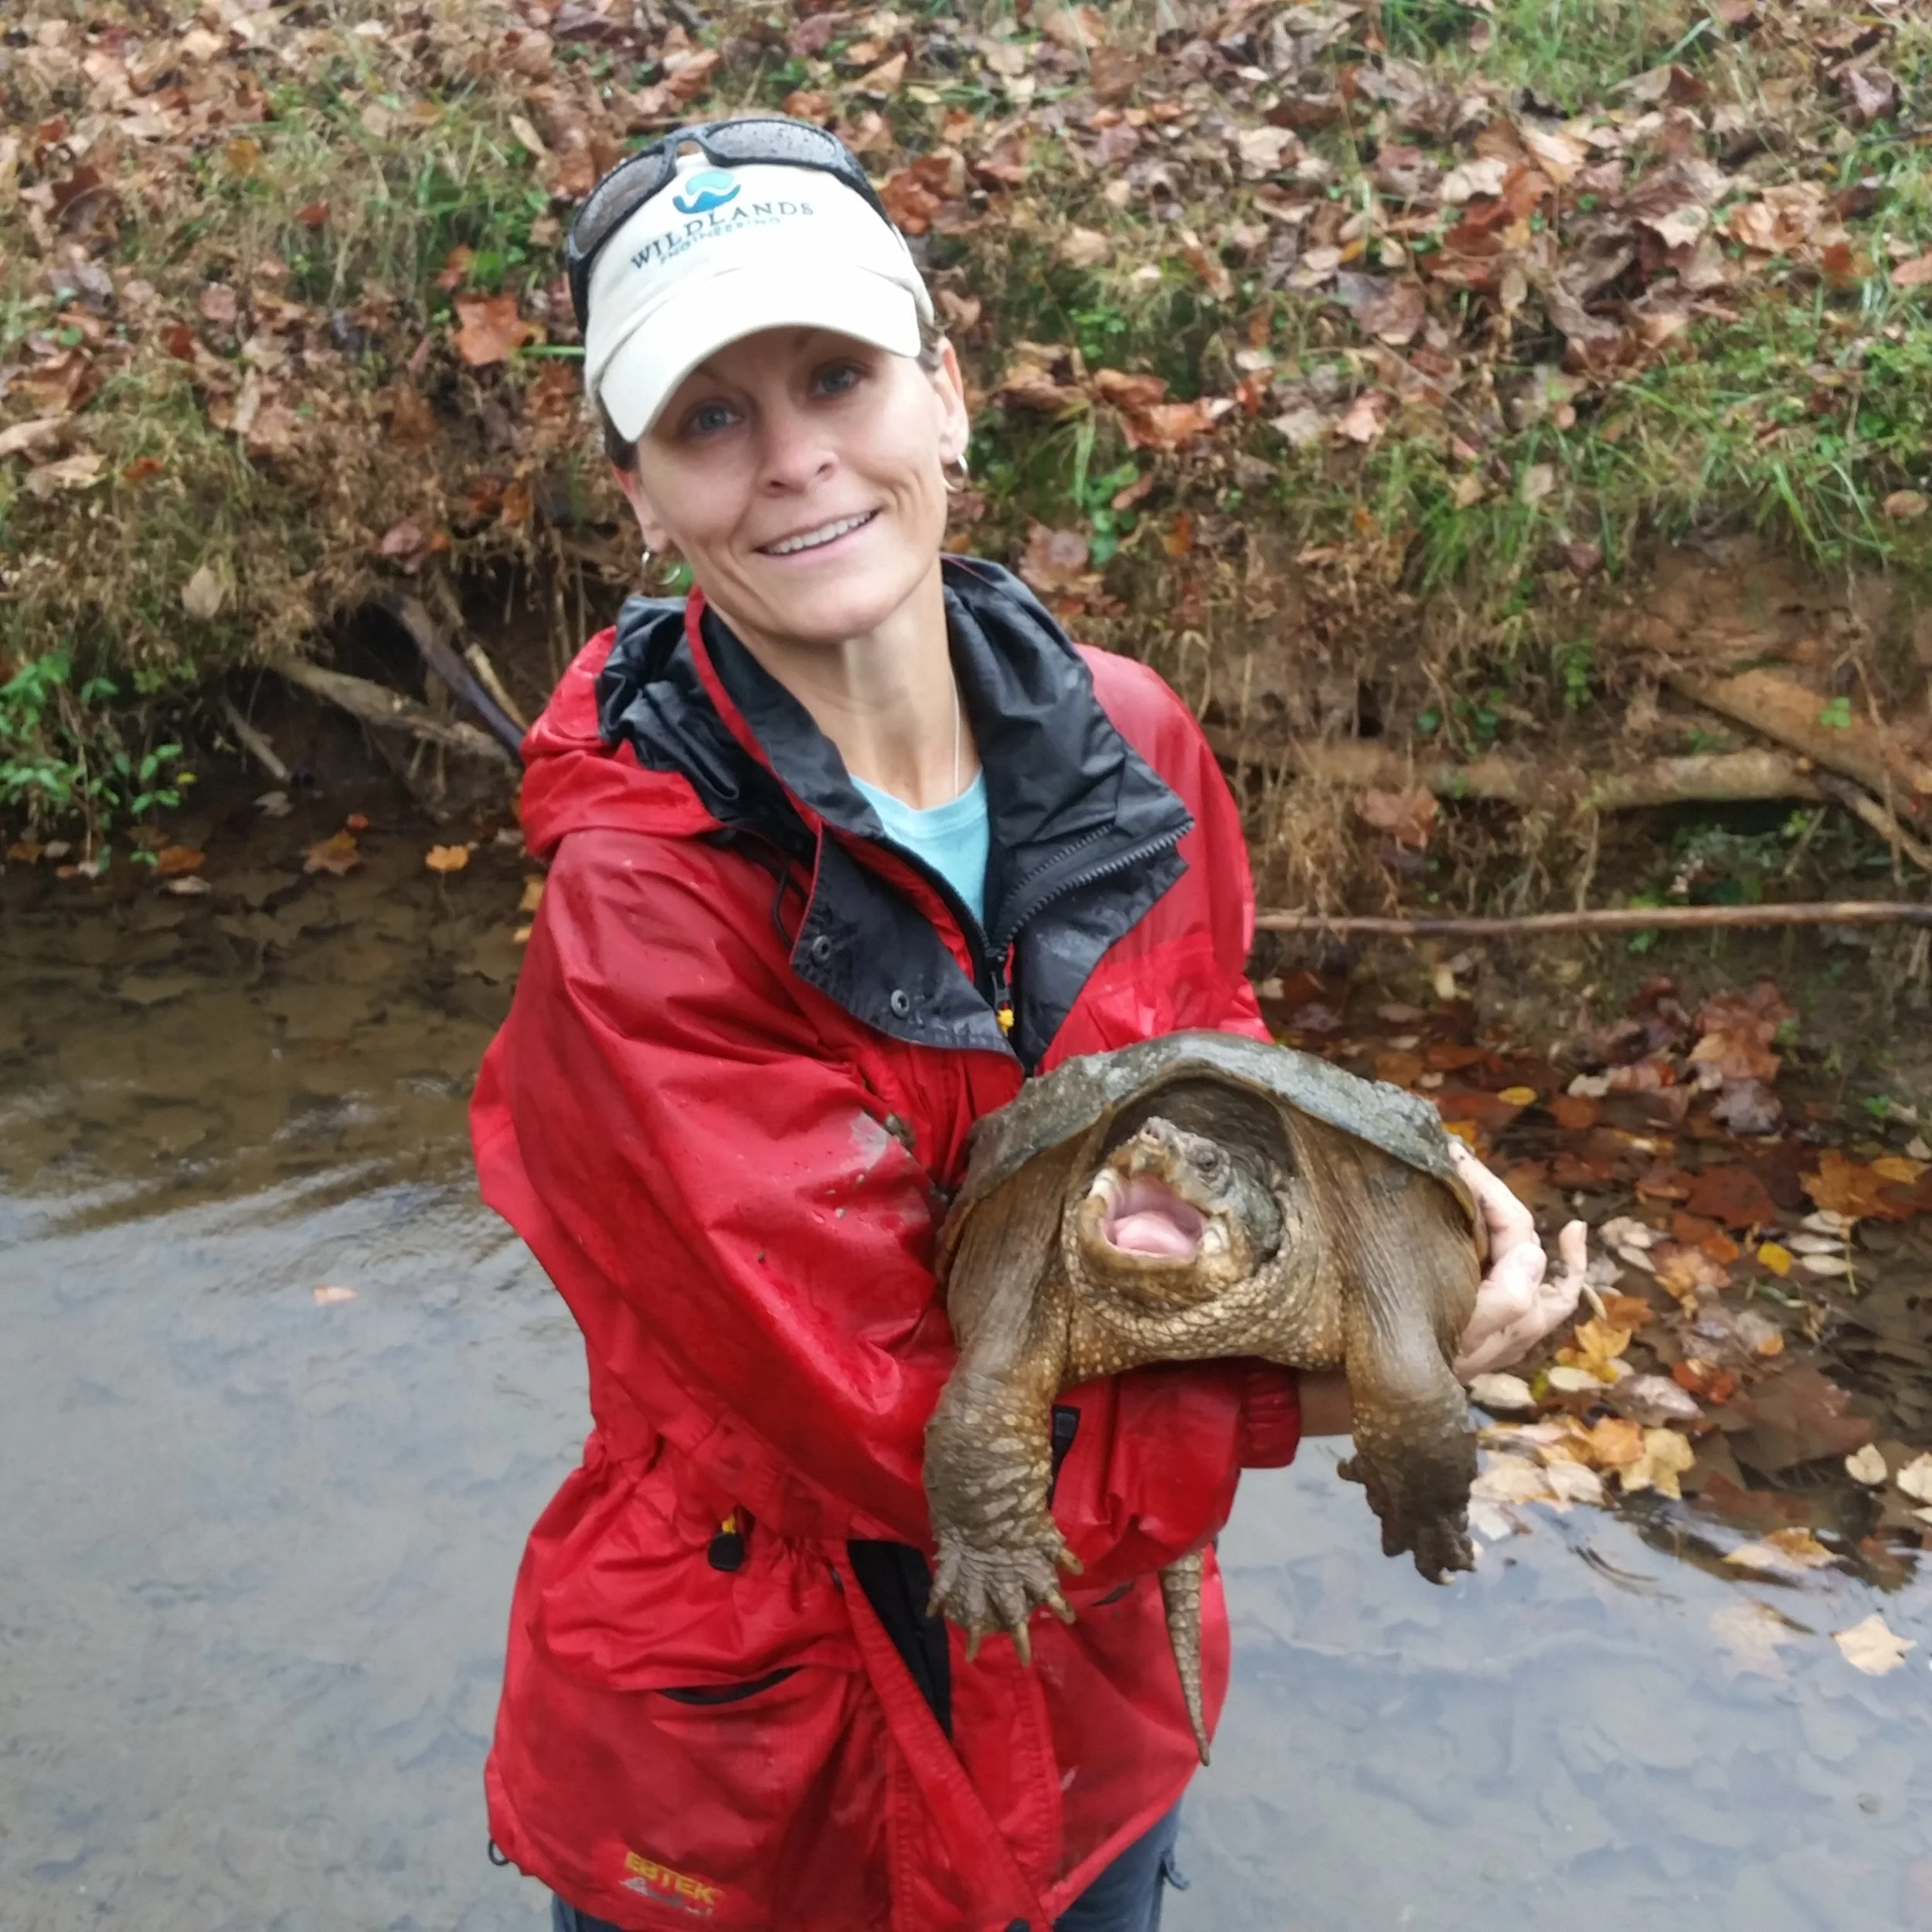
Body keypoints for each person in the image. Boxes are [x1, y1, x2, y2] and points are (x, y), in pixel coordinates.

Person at [470, 116, 1587, 1932]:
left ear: (946, 387)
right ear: (643, 494)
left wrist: (1389, 1239)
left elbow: (1217, 1063)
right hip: (766, 1760)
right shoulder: (638, 910)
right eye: (710, 417)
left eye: (835, 373)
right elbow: (891, 1425)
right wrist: (1364, 1382)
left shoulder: (1126, 732)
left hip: (1095, 1711)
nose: (796, 459)